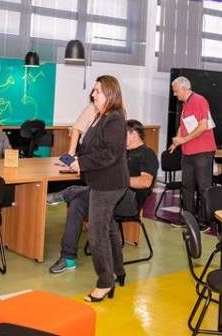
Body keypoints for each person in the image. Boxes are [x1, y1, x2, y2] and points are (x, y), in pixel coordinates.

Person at [49, 119, 158, 276]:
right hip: (108, 196)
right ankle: (68, 258)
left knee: (85, 192)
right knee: (77, 203)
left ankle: (66, 193)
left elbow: (145, 182)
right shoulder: (120, 153)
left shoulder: (146, 154)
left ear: (133, 134)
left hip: (128, 201)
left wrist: (117, 178)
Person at [67, 75, 128, 303]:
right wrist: (76, 159)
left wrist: (82, 163)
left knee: (97, 234)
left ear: (110, 94)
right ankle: (118, 271)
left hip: (109, 184)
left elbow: (110, 153)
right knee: (108, 228)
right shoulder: (100, 116)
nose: (93, 94)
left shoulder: (115, 120)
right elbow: (92, 147)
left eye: (97, 91)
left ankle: (104, 282)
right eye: (93, 90)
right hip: (101, 181)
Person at [169, 76, 217, 228]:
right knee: (187, 187)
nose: (174, 94)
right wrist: (177, 141)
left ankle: (204, 221)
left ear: (184, 89)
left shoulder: (199, 100)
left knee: (204, 187)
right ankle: (188, 219)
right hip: (188, 152)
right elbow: (184, 125)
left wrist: (183, 139)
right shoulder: (186, 104)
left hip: (202, 151)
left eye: (176, 91)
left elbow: (203, 126)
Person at [68, 89, 97, 156]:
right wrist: (71, 153)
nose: (93, 94)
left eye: (98, 92)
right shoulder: (91, 108)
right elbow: (76, 129)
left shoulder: (115, 115)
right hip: (87, 152)